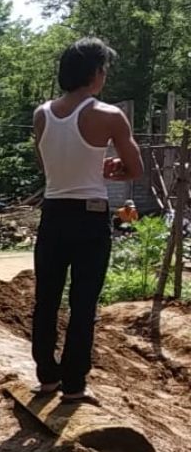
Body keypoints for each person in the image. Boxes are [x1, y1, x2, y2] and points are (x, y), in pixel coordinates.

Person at [31, 38, 143, 404]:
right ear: (96, 73)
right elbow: (134, 169)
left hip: (53, 211)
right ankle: (74, 384)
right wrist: (112, 170)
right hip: (90, 216)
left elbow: (49, 165)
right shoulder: (109, 115)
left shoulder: (41, 114)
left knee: (46, 297)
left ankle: (47, 376)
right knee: (83, 302)